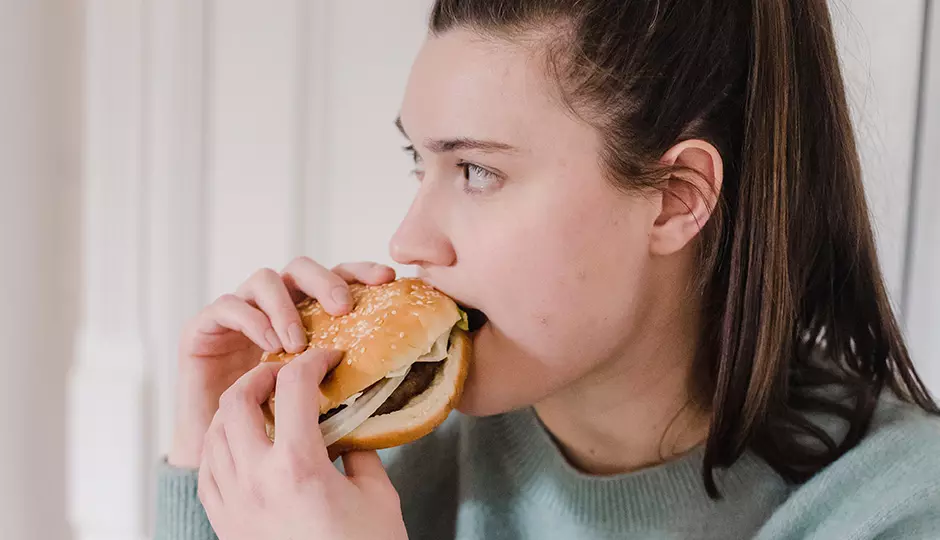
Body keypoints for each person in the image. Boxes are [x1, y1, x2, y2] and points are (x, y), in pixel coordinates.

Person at [155, 0, 940, 538]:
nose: (408, 239)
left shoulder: (894, 511)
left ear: (674, 199)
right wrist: (210, 457)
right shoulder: (364, 467)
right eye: (417, 162)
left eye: (476, 172)